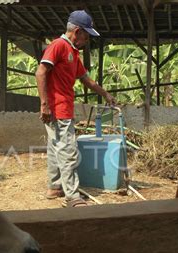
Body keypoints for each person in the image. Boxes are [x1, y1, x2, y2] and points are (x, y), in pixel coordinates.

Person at [35, 10, 116, 208]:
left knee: (55, 148)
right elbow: (41, 72)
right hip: (57, 108)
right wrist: (44, 104)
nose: (87, 40)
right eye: (86, 35)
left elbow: (86, 79)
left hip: (61, 108)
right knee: (68, 151)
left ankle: (54, 187)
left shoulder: (72, 52)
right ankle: (72, 196)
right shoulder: (59, 46)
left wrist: (105, 94)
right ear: (77, 31)